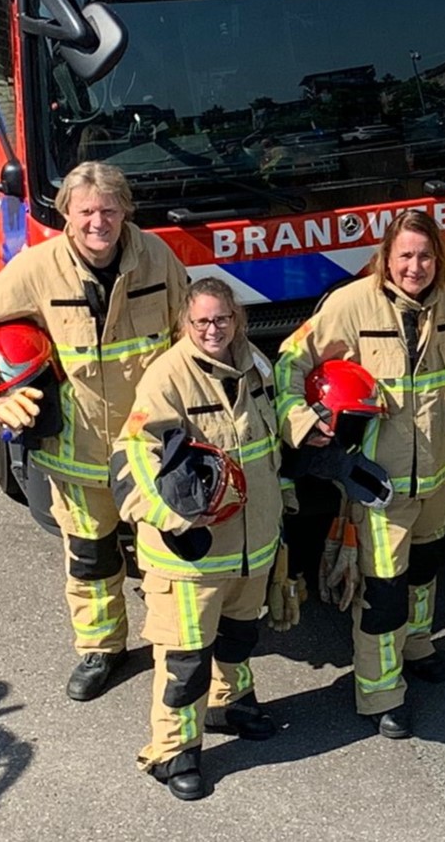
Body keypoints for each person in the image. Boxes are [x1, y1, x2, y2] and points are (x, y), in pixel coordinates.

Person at [0, 162, 187, 701]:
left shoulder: (159, 259)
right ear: (67, 215)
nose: (99, 222)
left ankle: (180, 647)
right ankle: (102, 649)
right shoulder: (35, 270)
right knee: (92, 559)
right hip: (78, 456)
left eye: (109, 210)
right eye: (87, 211)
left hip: (149, 451)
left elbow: (185, 339)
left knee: (167, 555)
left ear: (126, 212)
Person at [274, 209, 445, 740]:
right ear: (385, 257)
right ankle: (381, 691)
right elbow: (291, 360)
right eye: (404, 255)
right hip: (378, 484)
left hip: (439, 476)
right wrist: (299, 420)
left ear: (440, 260)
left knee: (425, 570)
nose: (415, 266)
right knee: (383, 590)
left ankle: (418, 645)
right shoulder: (350, 304)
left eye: (426, 256)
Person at [110, 278, 285, 800]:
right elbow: (132, 457)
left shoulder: (256, 366)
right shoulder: (167, 377)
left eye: (223, 320)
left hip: (251, 545)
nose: (213, 330)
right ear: (185, 324)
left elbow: (268, 449)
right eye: (202, 321)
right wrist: (171, 520)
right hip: (192, 558)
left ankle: (228, 704)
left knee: (238, 639)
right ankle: (172, 752)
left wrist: (284, 512)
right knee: (185, 661)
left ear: (238, 320)